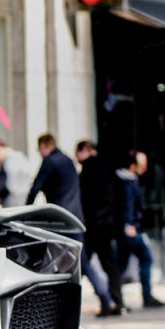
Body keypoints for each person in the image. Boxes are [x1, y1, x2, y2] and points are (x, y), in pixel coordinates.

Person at [24, 134, 113, 314]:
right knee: (82, 262)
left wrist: (26, 211)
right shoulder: (67, 161)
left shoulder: (50, 161)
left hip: (59, 220)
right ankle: (104, 297)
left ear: (43, 146)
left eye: (39, 149)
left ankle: (48, 306)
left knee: (48, 263)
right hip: (75, 218)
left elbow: (36, 187)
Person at [75, 140, 124, 316]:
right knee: (107, 264)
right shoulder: (107, 168)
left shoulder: (89, 170)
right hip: (105, 224)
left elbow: (87, 199)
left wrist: (90, 220)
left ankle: (105, 301)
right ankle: (115, 301)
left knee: (81, 264)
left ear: (85, 151)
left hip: (94, 225)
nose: (77, 157)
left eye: (78, 153)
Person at [117, 150, 165, 308]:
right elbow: (126, 205)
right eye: (142, 165)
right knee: (145, 258)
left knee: (121, 264)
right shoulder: (126, 182)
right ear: (132, 166)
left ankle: (115, 298)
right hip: (130, 229)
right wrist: (128, 225)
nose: (144, 169)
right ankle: (146, 296)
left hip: (129, 228)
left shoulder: (128, 179)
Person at [0, 139, 33, 208]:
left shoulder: (7, 162)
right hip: (26, 203)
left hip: (11, 205)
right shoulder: (22, 158)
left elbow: (6, 187)